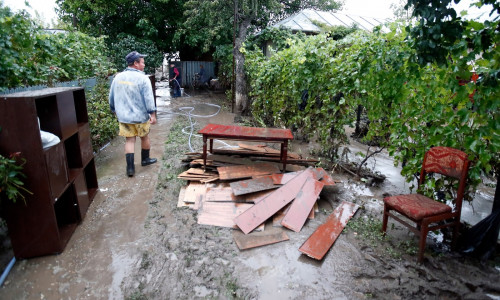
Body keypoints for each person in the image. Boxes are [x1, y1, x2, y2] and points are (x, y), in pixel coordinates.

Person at [109, 51, 157, 177]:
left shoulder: (118, 77)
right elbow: (148, 98)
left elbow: (111, 96)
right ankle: (145, 160)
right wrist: (152, 113)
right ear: (136, 63)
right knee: (144, 137)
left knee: (129, 140)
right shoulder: (143, 78)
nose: (144, 64)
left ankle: (130, 169)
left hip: (124, 117)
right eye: (142, 62)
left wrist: (114, 109)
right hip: (140, 117)